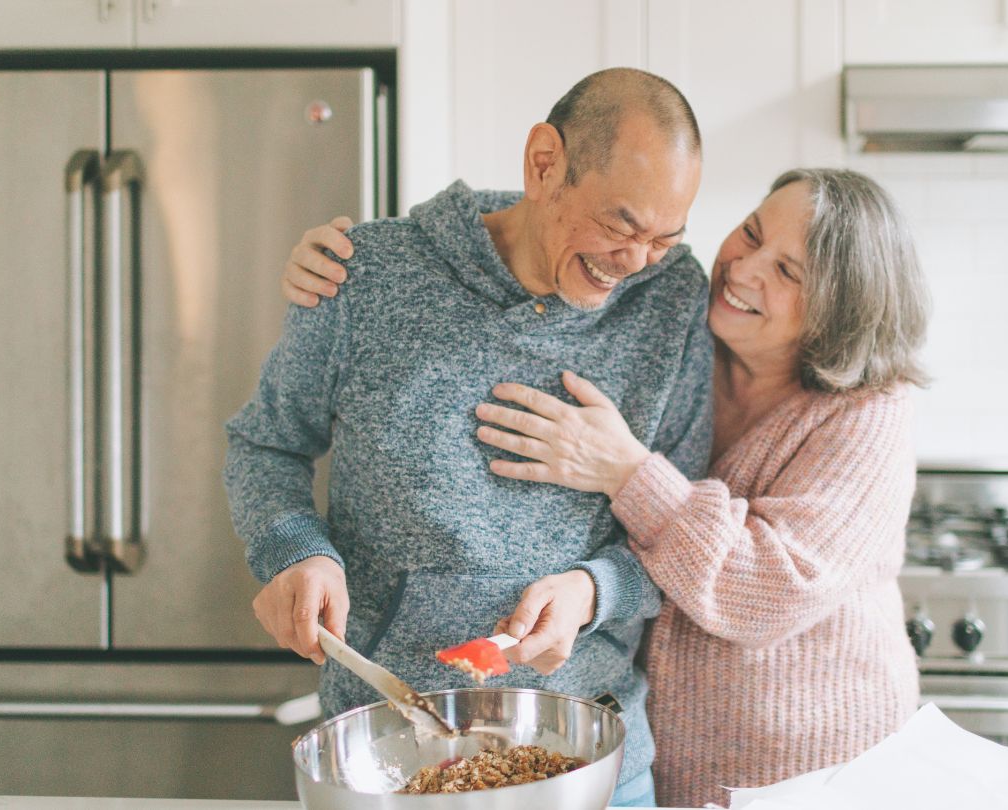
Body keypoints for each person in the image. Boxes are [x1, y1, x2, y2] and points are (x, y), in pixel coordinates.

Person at [283, 167, 931, 808]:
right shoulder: (689, 336)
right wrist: (366, 255)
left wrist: (626, 472)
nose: (744, 268)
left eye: (787, 271)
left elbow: (768, 589)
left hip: (818, 774)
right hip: (667, 758)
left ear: (841, 313)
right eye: (752, 232)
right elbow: (560, 228)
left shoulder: (868, 413)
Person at [224, 68, 713, 808]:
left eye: (665, 238)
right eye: (621, 226)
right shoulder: (370, 275)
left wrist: (593, 590)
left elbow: (682, 527)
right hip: (388, 755)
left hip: (593, 765)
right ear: (544, 163)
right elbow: (266, 445)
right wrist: (296, 551)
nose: (635, 262)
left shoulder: (672, 300)